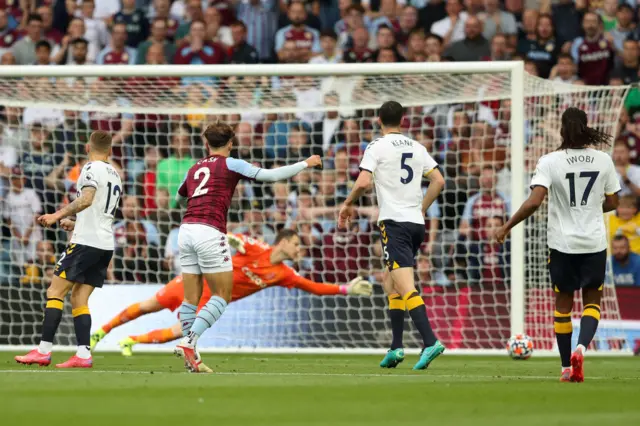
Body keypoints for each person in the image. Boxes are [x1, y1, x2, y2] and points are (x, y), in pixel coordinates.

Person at [174, 122, 322, 373]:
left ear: (206, 143)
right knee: (222, 295)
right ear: (231, 143)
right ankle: (189, 342)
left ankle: (192, 358)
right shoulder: (231, 163)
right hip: (210, 230)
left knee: (191, 297)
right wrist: (305, 164)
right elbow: (271, 176)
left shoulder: (194, 167)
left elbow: (179, 198)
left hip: (186, 229)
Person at [90, 231, 372, 356]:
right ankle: (102, 331)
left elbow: (314, 288)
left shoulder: (284, 274)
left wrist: (346, 288)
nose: (299, 251)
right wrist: (231, 239)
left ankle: (130, 340)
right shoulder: (255, 247)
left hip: (210, 300)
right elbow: (233, 238)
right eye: (297, 245)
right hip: (195, 281)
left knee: (180, 332)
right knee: (149, 305)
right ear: (284, 242)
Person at [494, 107, 620, 382]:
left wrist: (506, 226)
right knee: (592, 301)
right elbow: (613, 201)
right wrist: (589, 208)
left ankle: (565, 367)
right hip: (594, 243)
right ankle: (581, 347)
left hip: (562, 244)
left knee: (563, 305)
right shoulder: (603, 160)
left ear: (562, 130)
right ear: (586, 127)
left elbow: (534, 202)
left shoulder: (550, 161)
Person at [338, 101, 446, 370]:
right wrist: (421, 208)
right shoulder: (416, 146)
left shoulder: (377, 146)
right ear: (403, 120)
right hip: (416, 225)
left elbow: (363, 182)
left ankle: (430, 341)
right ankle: (396, 347)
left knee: (406, 285)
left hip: (394, 224)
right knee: (390, 282)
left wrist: (348, 202)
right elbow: (439, 181)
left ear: (378, 120)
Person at [15, 131, 123, 368]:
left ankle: (43, 350)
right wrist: (75, 223)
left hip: (85, 243)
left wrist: (57, 214)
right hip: (105, 245)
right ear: (110, 150)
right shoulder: (115, 175)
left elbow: (86, 199)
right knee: (79, 298)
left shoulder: (90, 168)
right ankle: (83, 354)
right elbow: (104, 214)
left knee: (55, 291)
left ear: (87, 147)